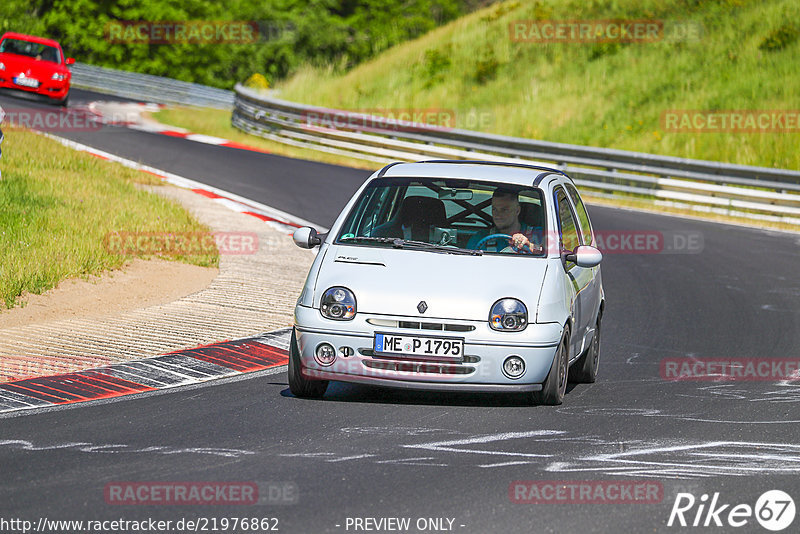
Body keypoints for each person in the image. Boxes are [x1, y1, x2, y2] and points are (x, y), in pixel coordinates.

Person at [467, 189, 542, 253]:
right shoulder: (479, 238)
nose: (498, 215)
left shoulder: (539, 234)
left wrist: (530, 245)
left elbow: (551, 254)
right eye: (494, 209)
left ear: (517, 211)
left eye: (504, 210)